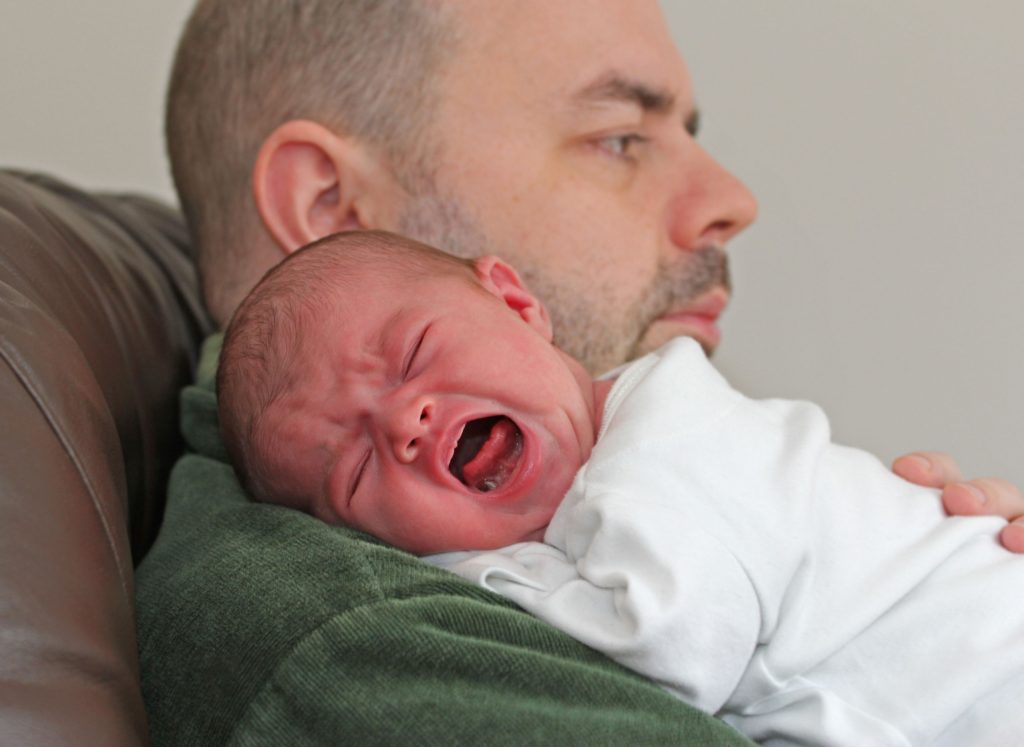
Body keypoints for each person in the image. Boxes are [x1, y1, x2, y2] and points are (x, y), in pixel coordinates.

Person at [165, 0, 1024, 533]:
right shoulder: (367, 637)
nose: (732, 200)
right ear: (330, 207)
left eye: (691, 132)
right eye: (618, 137)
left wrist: (924, 592)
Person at [218, 231, 1024, 746]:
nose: (406, 420)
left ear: (516, 301)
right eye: (356, 469)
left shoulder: (668, 438)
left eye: (416, 351)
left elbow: (676, 646)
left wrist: (479, 572)